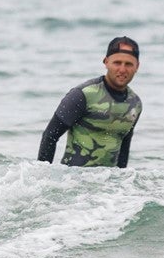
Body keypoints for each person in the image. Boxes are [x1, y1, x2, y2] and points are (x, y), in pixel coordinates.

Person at [38, 36, 143, 168]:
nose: (122, 69)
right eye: (117, 63)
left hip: (109, 185)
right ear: (106, 62)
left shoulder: (135, 104)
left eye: (128, 64)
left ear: (137, 66)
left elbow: (124, 147)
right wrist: (43, 177)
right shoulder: (83, 94)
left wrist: (123, 184)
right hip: (73, 181)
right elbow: (50, 136)